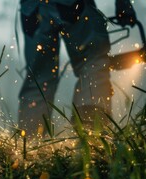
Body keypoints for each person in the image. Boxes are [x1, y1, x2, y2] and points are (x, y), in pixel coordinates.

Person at [18, 0, 137, 135]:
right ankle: (91, 135)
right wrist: (124, 5)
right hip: (72, 4)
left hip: (31, 9)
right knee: (93, 61)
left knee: (38, 79)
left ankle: (29, 144)